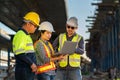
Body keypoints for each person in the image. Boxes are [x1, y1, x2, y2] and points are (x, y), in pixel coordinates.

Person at [12, 11, 40, 80]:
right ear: (28, 24)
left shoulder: (26, 36)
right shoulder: (21, 35)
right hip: (24, 70)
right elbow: (20, 53)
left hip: (27, 70)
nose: (36, 28)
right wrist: (32, 64)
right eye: (35, 25)